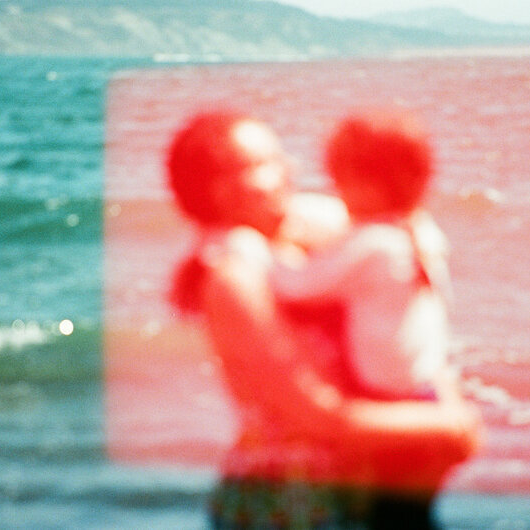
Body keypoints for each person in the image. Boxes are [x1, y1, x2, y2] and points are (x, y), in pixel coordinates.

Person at [166, 110, 481, 529]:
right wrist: (447, 426)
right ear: (221, 190)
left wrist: (446, 401)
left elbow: (408, 301)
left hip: (359, 492)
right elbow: (317, 414)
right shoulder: (233, 278)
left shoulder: (295, 238)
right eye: (266, 164)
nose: (290, 171)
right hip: (291, 503)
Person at [269, 111, 453, 402]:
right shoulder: (418, 229)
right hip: (423, 384)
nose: (336, 190)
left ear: (367, 186)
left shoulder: (371, 246)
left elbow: (295, 286)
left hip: (387, 394)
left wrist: (271, 245)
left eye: (341, 180)